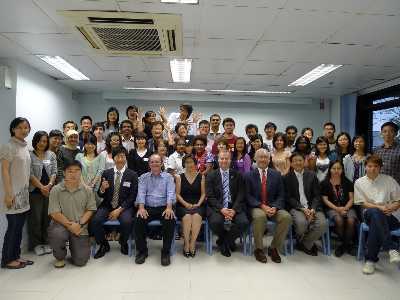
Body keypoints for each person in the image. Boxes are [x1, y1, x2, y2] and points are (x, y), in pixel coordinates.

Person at [354, 154, 400, 275]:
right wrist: (380, 207)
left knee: (376, 223)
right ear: (365, 167)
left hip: (390, 215)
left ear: (380, 168)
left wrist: (393, 206)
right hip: (369, 213)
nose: (373, 169)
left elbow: (398, 200)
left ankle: (370, 260)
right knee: (375, 213)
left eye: (376, 166)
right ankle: (390, 247)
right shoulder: (359, 182)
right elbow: (362, 203)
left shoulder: (389, 180)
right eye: (370, 166)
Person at [245, 149, 292, 263]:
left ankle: (273, 248)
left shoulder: (276, 174)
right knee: (260, 216)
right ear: (255, 159)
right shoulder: (248, 175)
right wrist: (262, 206)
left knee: (286, 217)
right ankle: (259, 249)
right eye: (260, 157)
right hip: (256, 207)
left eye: (265, 157)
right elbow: (247, 196)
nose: (263, 159)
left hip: (273, 207)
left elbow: (281, 195)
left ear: (269, 159)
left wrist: (275, 207)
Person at [48, 160, 96, 268]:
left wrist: (79, 224)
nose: (73, 174)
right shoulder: (56, 190)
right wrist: (70, 226)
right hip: (60, 225)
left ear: (81, 172)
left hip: (80, 226)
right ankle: (60, 256)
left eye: (77, 171)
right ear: (64, 173)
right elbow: (55, 213)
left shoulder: (87, 190)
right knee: (57, 234)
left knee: (81, 261)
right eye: (70, 171)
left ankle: (75, 249)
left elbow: (90, 210)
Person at [91, 147, 138, 258]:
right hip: (107, 204)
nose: (120, 158)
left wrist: (119, 210)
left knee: (127, 222)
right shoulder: (106, 173)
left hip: (125, 206)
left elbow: (132, 197)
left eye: (123, 156)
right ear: (113, 158)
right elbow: (100, 194)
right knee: (95, 221)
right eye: (118, 156)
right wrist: (102, 189)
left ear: (126, 158)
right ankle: (103, 244)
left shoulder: (132, 175)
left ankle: (123, 242)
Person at [1, 117, 33, 269]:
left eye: (26, 127)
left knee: (19, 227)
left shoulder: (24, 146)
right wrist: (8, 194)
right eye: (20, 127)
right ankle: (7, 259)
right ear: (13, 129)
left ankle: (16, 256)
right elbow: (5, 172)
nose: (23, 130)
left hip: (23, 193)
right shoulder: (8, 147)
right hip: (13, 194)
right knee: (13, 227)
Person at [134, 154, 176, 266]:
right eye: (152, 162)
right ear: (149, 164)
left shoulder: (168, 177)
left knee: (169, 220)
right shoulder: (143, 177)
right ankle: (142, 251)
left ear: (161, 163)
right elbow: (141, 193)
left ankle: (165, 252)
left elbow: (170, 193)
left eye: (157, 161)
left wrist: (169, 208)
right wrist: (141, 208)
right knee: (138, 220)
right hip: (148, 206)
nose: (154, 164)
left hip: (164, 206)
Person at [206, 150, 249, 257]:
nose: (224, 161)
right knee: (215, 222)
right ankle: (228, 241)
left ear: (230, 160)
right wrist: (221, 209)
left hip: (234, 207)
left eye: (227, 158)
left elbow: (241, 194)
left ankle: (225, 241)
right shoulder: (211, 175)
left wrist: (234, 209)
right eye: (222, 158)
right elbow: (210, 197)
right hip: (218, 207)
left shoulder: (238, 175)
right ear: (218, 160)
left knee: (243, 222)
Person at [284, 152, 327, 256]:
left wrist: (312, 209)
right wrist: (302, 209)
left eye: (300, 160)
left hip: (313, 207)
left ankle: (304, 243)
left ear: (304, 162)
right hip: (297, 208)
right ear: (291, 163)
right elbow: (289, 198)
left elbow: (317, 195)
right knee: (301, 224)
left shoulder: (312, 175)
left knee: (322, 224)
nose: (298, 163)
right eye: (295, 161)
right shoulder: (287, 177)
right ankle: (307, 242)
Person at [28, 131, 57, 256]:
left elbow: (54, 171)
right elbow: (30, 174)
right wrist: (41, 187)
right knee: (36, 219)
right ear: (35, 141)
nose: (42, 143)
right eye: (40, 141)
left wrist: (49, 186)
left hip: (49, 191)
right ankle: (36, 244)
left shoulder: (51, 155)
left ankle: (46, 242)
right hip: (35, 192)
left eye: (45, 141)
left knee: (47, 218)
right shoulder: (29, 155)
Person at [321, 160, 357, 257]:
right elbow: (325, 200)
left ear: (342, 170)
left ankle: (343, 245)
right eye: (334, 168)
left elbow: (352, 198)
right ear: (330, 170)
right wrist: (338, 209)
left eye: (339, 168)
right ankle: (347, 244)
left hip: (348, 207)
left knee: (351, 220)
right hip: (331, 208)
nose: (336, 170)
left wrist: (345, 208)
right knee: (338, 220)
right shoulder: (324, 183)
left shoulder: (347, 182)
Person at [175, 154, 206, 257]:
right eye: (187, 162)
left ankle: (193, 243)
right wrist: (186, 204)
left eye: (191, 162)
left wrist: (198, 204)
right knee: (187, 217)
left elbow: (203, 194)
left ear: (195, 163)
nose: (189, 164)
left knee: (197, 217)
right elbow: (177, 194)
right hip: (183, 205)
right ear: (184, 164)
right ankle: (186, 244)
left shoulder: (201, 176)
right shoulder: (179, 177)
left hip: (198, 204)